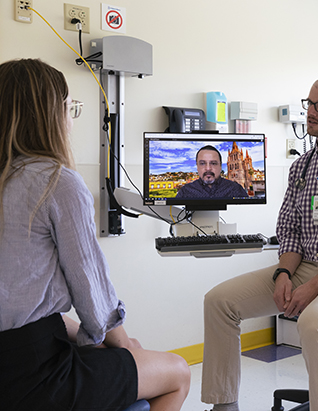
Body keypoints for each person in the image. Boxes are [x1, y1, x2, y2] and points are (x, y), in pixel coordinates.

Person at [0, 58, 191, 411]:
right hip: (36, 378)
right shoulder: (56, 183)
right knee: (177, 372)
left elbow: (28, 304)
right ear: (49, 115)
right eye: (70, 108)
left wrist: (95, 339)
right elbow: (93, 298)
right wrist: (125, 345)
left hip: (15, 358)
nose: (70, 119)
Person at [201, 76, 318, 411]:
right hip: (302, 268)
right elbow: (288, 228)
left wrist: (313, 287)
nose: (312, 112)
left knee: (314, 323)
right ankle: (224, 406)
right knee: (219, 302)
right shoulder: (301, 166)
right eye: (309, 104)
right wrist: (284, 276)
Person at [175, 145, 249, 198]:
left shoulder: (236, 189)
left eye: (213, 163)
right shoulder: (186, 191)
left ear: (220, 167)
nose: (208, 168)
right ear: (197, 167)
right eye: (202, 163)